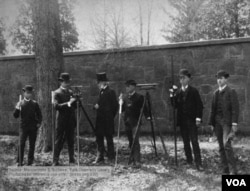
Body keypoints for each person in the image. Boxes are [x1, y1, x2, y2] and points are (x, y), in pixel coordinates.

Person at [170, 69, 203, 170]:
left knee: (194, 141)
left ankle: (198, 163)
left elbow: (199, 105)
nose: (182, 80)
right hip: (183, 121)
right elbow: (174, 106)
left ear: (188, 79)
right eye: (180, 78)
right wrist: (172, 95)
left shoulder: (193, 91)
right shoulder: (178, 92)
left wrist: (198, 118)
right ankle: (189, 160)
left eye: (184, 78)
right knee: (185, 142)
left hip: (192, 120)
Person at [209, 70, 239, 174]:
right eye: (218, 78)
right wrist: (212, 124)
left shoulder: (231, 92)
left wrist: (234, 123)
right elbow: (213, 110)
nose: (219, 80)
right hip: (217, 122)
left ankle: (233, 171)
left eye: (221, 78)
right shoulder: (215, 93)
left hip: (227, 122)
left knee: (227, 145)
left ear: (226, 79)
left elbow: (235, 108)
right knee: (221, 146)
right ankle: (225, 170)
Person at [121, 79, 150, 167]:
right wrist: (120, 102)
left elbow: (144, 107)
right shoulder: (125, 97)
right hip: (127, 123)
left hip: (135, 123)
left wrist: (148, 116)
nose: (127, 88)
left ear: (133, 87)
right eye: (126, 86)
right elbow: (122, 110)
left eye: (128, 86)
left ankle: (137, 160)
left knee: (135, 141)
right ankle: (132, 158)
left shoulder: (139, 97)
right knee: (130, 141)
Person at [13, 85, 42, 166]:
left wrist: (39, 123)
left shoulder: (35, 103)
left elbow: (39, 114)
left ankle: (30, 161)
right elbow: (15, 116)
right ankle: (19, 161)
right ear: (24, 93)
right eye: (27, 93)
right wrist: (17, 108)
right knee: (21, 143)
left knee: (32, 144)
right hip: (23, 127)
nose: (29, 94)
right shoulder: (20, 103)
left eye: (30, 93)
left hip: (33, 127)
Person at [93, 72, 118, 164]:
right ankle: (100, 156)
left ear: (103, 82)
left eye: (99, 82)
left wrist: (109, 116)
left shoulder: (110, 92)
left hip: (107, 120)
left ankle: (111, 157)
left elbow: (114, 106)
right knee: (99, 138)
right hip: (100, 120)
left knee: (109, 138)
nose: (98, 84)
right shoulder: (101, 92)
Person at [52, 73, 76, 166]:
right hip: (61, 120)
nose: (66, 83)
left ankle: (71, 159)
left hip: (70, 120)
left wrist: (77, 101)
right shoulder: (56, 93)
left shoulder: (71, 92)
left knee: (71, 139)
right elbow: (56, 106)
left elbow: (75, 107)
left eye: (68, 82)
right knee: (59, 140)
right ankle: (55, 160)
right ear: (61, 82)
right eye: (65, 82)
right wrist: (69, 103)